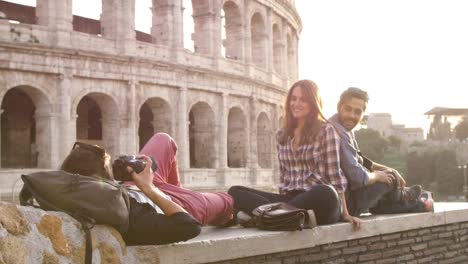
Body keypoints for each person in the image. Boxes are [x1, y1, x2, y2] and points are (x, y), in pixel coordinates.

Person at [228, 79, 361, 228]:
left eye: (303, 100)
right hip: (290, 200)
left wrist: (345, 213)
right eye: (293, 99)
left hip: (318, 200)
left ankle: (266, 217)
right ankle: (285, 218)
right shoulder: (282, 134)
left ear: (313, 103)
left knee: (326, 193)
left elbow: (335, 176)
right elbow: (284, 178)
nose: (296, 103)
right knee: (234, 192)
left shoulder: (326, 131)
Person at [61, 142, 201, 245]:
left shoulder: (65, 195)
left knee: (163, 140)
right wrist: (149, 188)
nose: (115, 174)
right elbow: (189, 226)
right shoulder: (129, 214)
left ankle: (175, 188)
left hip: (141, 186)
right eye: (111, 170)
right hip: (178, 204)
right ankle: (181, 191)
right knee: (222, 201)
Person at [328, 87, 433, 217]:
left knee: (388, 179)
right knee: (388, 178)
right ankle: (406, 197)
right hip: (347, 203)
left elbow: (362, 160)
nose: (351, 115)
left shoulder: (343, 127)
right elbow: (357, 177)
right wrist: (379, 175)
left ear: (362, 114)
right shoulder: (336, 132)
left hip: (349, 197)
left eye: (357, 112)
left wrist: (389, 168)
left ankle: (412, 202)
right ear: (339, 107)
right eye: (348, 109)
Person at [137, 133, 234, 226]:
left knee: (163, 138)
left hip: (134, 184)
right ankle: (184, 197)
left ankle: (180, 193)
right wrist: (148, 189)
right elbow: (190, 227)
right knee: (229, 199)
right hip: (161, 202)